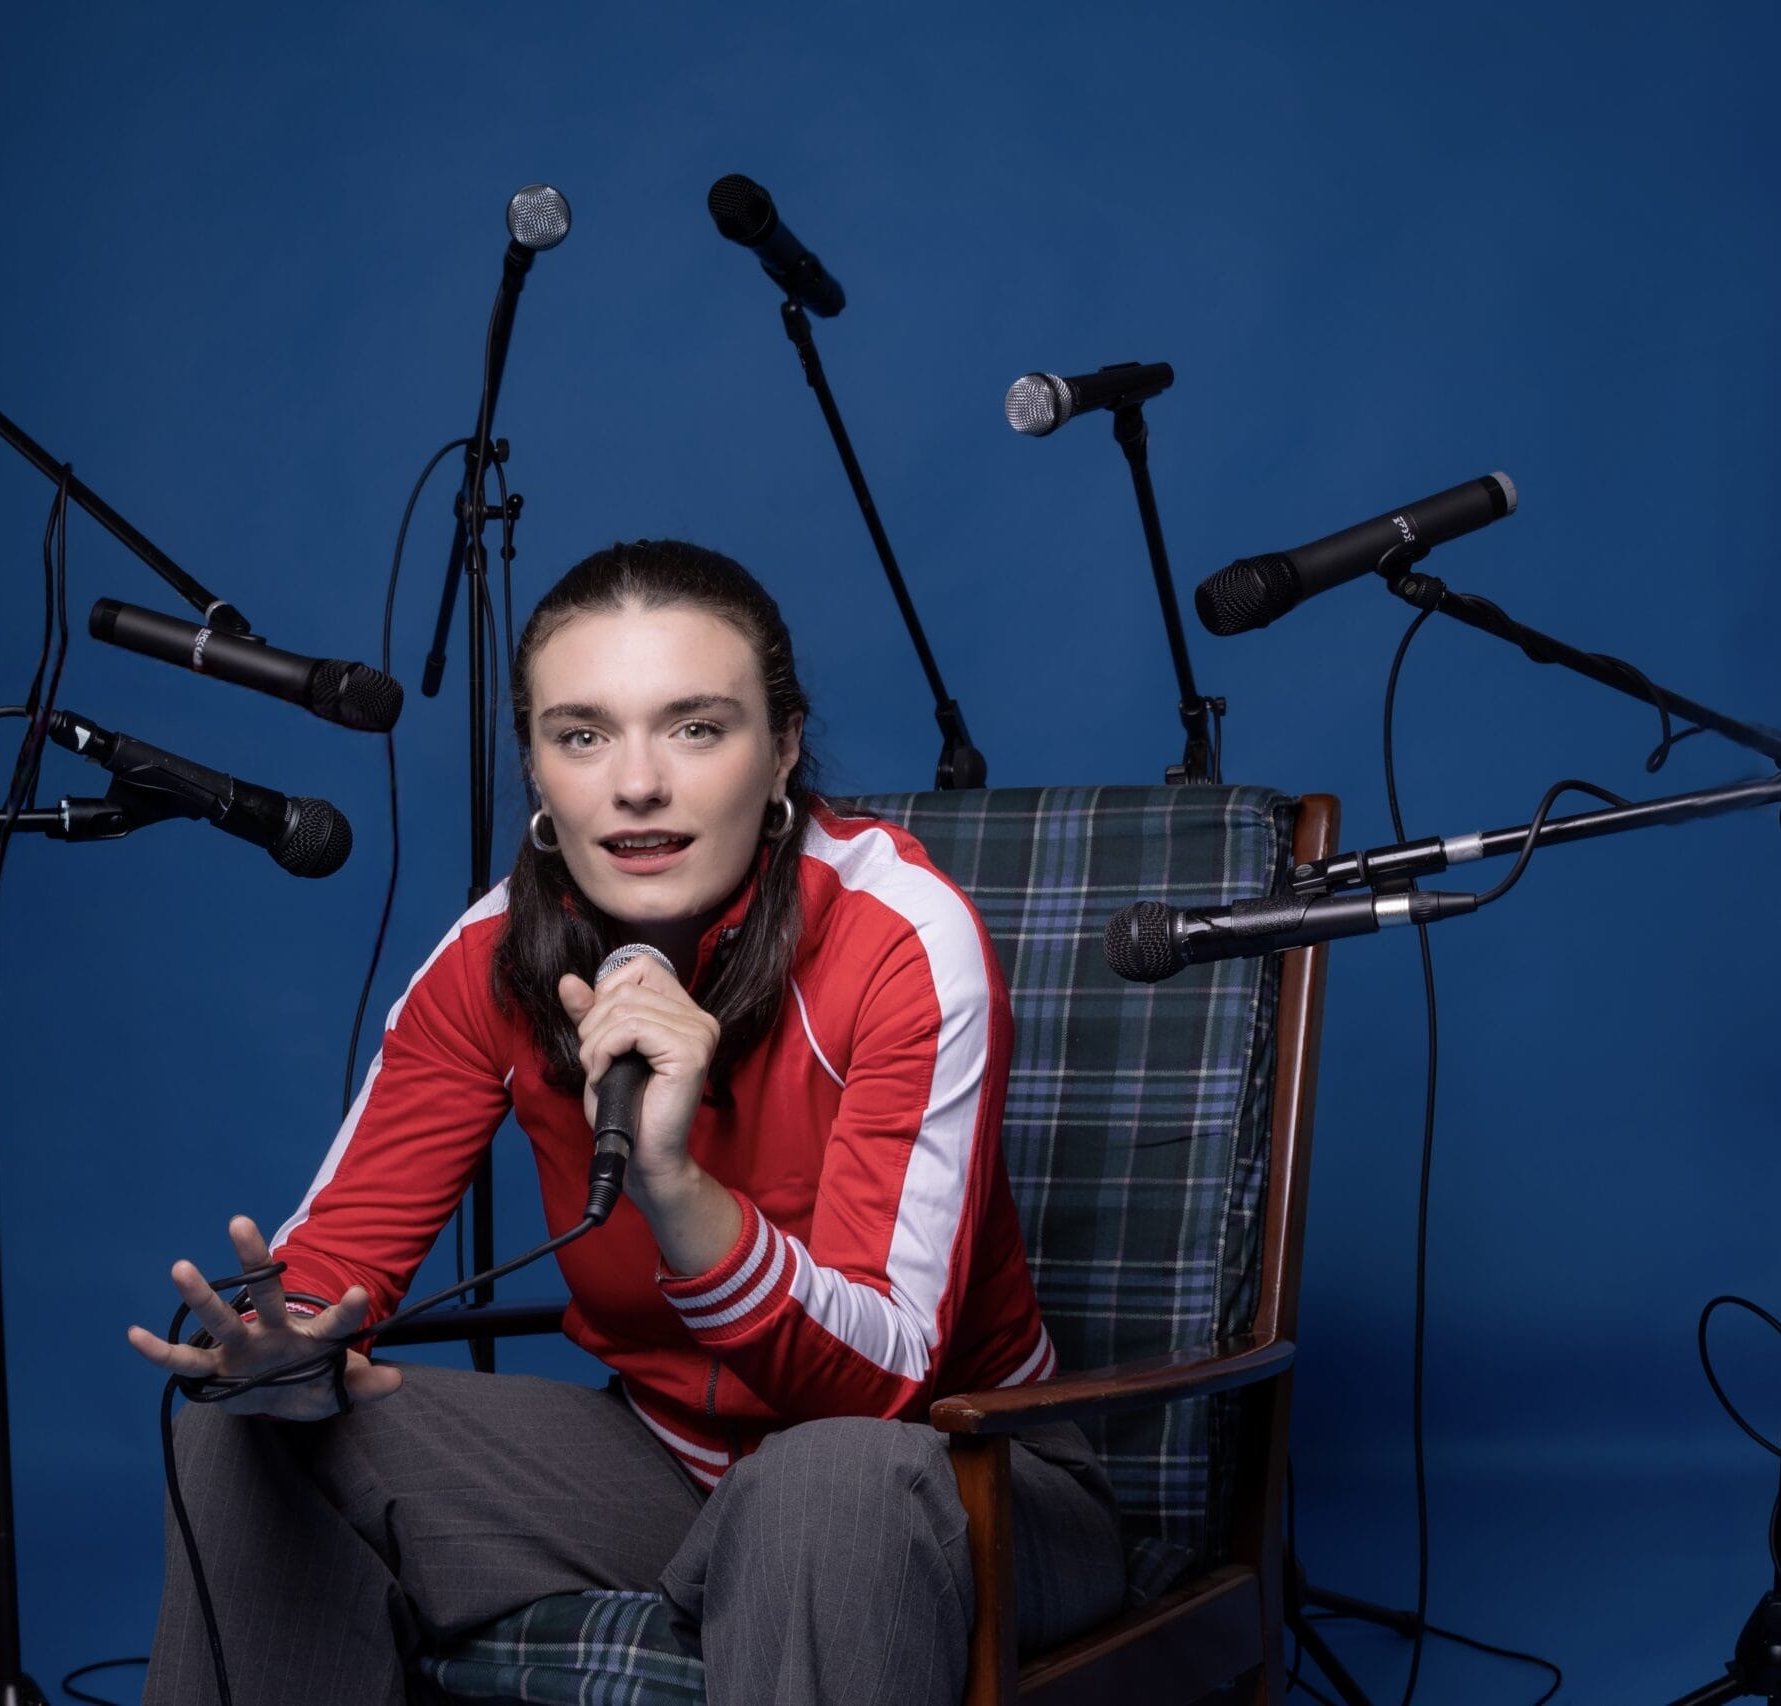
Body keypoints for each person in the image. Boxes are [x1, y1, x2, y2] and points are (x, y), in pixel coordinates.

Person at [129, 539, 1124, 1705]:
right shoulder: (491, 956)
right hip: (667, 1467)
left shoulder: (900, 937)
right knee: (249, 1424)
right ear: (536, 766)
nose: (636, 783)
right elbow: (333, 1259)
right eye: (582, 734)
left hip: (966, 1475)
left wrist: (675, 1184)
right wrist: (286, 1340)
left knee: (826, 1475)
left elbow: (886, 1377)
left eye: (696, 727)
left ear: (783, 747)